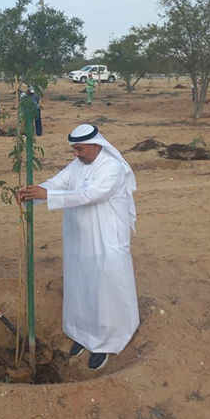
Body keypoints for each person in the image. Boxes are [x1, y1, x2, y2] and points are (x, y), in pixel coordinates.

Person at [19, 124, 139, 371]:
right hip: (79, 239)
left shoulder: (112, 168)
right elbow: (58, 182)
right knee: (81, 286)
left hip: (106, 240)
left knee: (104, 291)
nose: (76, 154)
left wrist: (47, 196)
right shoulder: (78, 165)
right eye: (74, 149)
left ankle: (105, 343)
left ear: (97, 145)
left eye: (80, 149)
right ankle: (84, 335)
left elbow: (89, 195)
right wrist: (35, 192)